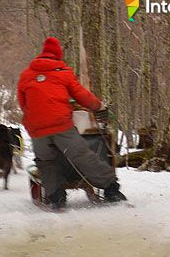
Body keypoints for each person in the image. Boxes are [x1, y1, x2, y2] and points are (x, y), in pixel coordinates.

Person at [17, 37, 126, 210]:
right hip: (60, 124)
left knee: (46, 161)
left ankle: (56, 197)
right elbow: (81, 94)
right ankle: (111, 188)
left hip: (37, 128)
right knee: (81, 155)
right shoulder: (62, 72)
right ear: (58, 55)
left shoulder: (26, 75)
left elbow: (23, 103)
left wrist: (35, 118)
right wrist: (98, 106)